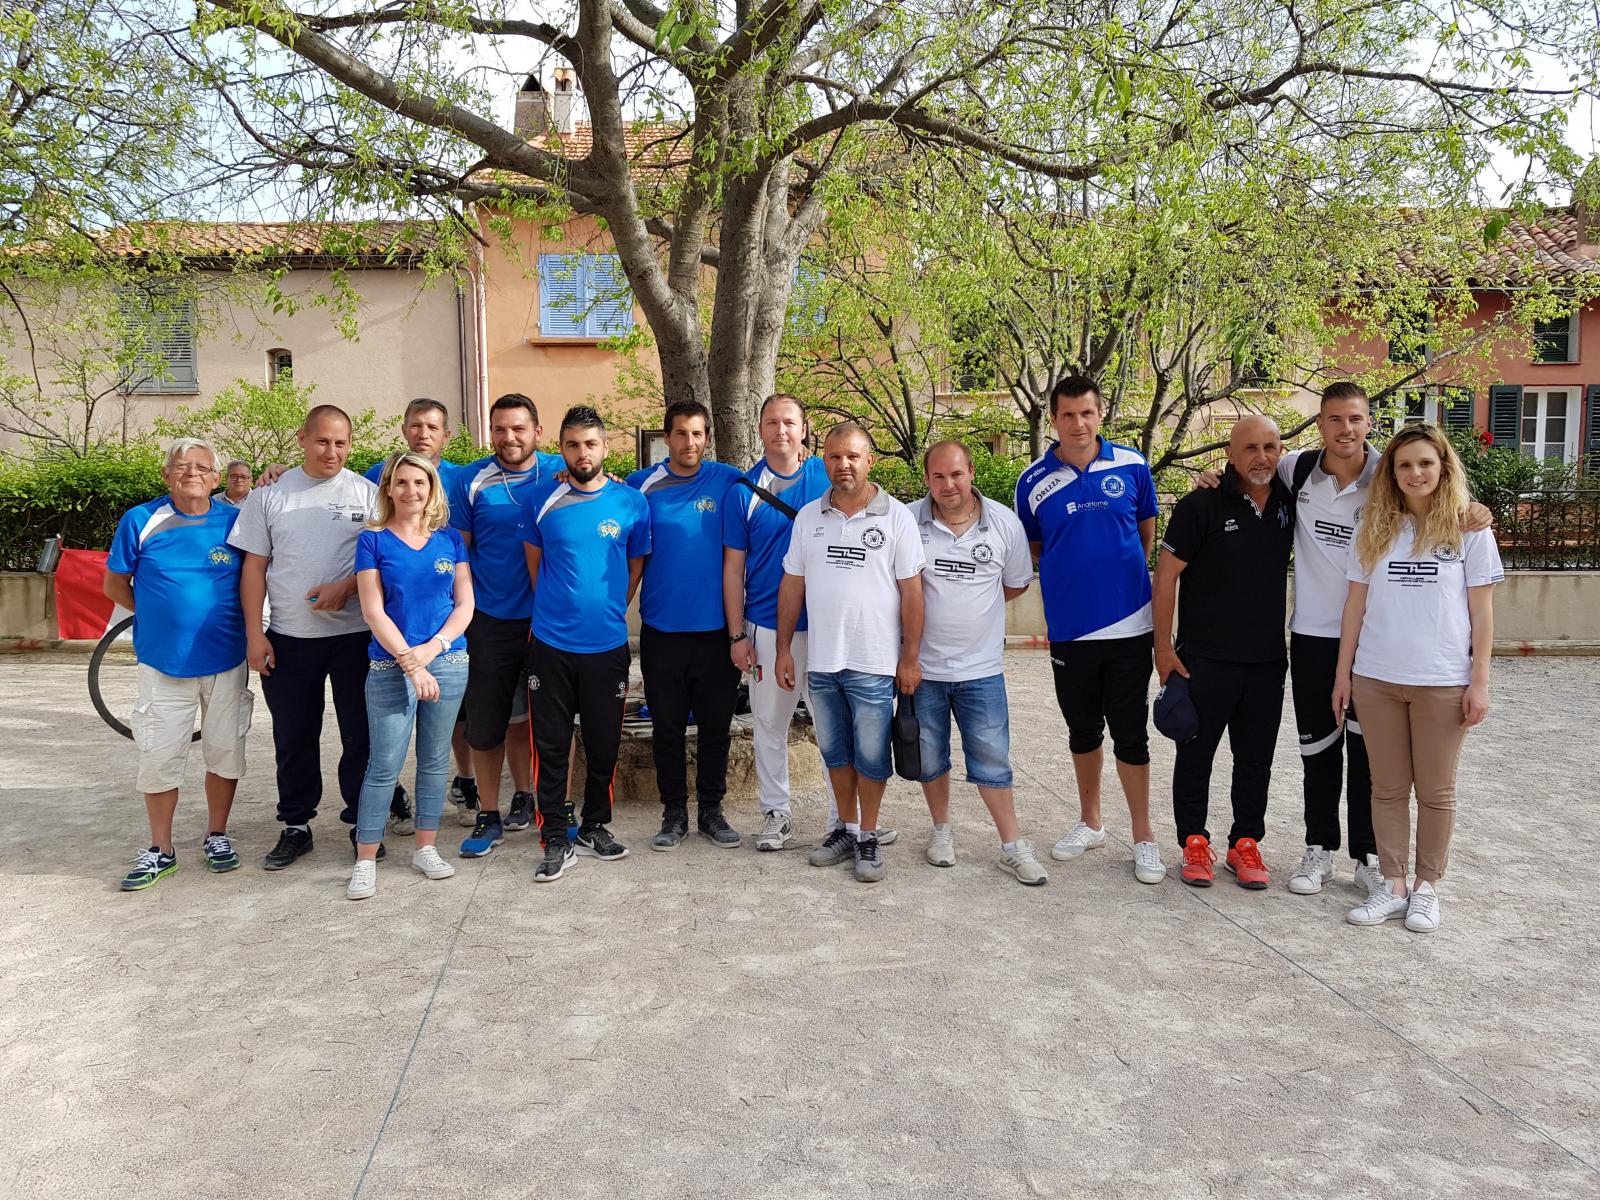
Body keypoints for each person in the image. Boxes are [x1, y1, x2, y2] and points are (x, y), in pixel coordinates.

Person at [1194, 382, 1490, 897]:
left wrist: (1474, 510)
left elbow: (1438, 493)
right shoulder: (1298, 470)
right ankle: (1318, 848)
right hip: (1312, 636)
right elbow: (1251, 472)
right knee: (1318, 749)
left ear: (1368, 422)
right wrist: (1214, 477)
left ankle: (1370, 856)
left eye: (1354, 419)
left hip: (1375, 644)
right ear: (1320, 425)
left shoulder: (1390, 475)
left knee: (1371, 756)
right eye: (1334, 419)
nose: (1345, 429)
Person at [261, 397, 475, 832]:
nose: (411, 489)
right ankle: (316, 828)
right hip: (342, 639)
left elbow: (462, 594)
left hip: (411, 643)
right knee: (324, 741)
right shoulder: (365, 483)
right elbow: (373, 565)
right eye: (415, 425)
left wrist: (433, 649)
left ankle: (389, 824)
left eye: (432, 427)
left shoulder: (457, 493)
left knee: (379, 743)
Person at [1336, 426, 1501, 933]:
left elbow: (1482, 612)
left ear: (1443, 467)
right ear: (1392, 473)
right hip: (1377, 678)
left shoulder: (1470, 529)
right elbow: (1355, 607)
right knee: (1385, 788)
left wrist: (1479, 681)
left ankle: (1427, 888)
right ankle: (1394, 884)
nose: (1415, 473)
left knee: (1435, 790)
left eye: (1425, 463)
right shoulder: (1374, 527)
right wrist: (1343, 675)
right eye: (1404, 465)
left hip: (1442, 682)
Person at [1014, 374, 1164, 884]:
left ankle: (1143, 837)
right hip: (1071, 631)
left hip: (1128, 625)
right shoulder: (1031, 481)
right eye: (1067, 415)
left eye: (1087, 413)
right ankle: (1090, 822)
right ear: (1053, 419)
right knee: (1082, 731)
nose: (1078, 423)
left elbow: (1144, 535)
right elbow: (1038, 549)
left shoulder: (1133, 465)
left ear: (1101, 415)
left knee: (1131, 734)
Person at [723, 395, 890, 850]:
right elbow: (733, 568)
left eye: (789, 422)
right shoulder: (744, 490)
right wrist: (738, 634)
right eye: (772, 422)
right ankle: (776, 814)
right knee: (770, 725)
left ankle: (849, 820)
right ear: (759, 429)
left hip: (830, 629)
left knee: (837, 728)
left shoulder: (830, 471)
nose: (781, 430)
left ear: (803, 429)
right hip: (766, 626)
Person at [228, 405, 378, 869]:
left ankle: (362, 824)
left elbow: (387, 560)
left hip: (357, 637)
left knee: (361, 735)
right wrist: (256, 635)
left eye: (341, 443)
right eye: (322, 441)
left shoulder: (369, 495)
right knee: (294, 735)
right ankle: (296, 825)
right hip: (290, 636)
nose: (331, 451)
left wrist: (347, 587)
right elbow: (253, 569)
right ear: (302, 439)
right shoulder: (270, 496)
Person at [775, 422, 924, 884]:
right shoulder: (808, 518)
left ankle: (870, 835)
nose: (843, 465)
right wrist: (783, 648)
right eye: (835, 457)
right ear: (824, 461)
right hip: (823, 661)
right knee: (836, 753)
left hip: (875, 662)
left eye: (853, 457)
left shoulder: (896, 517)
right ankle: (848, 828)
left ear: (869, 461)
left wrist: (910, 657)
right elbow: (792, 586)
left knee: (873, 756)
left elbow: (913, 593)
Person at [1153, 416, 1295, 889]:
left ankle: (1245, 843)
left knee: (1256, 760)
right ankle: (1194, 841)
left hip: (1266, 662)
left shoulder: (1291, 503)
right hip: (1203, 660)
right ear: (1230, 454)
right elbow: (1166, 577)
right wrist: (1163, 648)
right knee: (1196, 757)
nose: (1262, 457)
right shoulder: (1201, 504)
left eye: (1271, 446)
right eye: (1250, 448)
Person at [103, 439, 250, 890]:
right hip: (163, 664)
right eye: (182, 466)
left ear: (215, 477)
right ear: (166, 474)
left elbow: (255, 580)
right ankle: (161, 849)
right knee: (160, 756)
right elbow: (115, 585)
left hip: (226, 660)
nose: (192, 473)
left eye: (202, 467)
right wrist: (157, 614)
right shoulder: (141, 521)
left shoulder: (237, 521)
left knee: (225, 751)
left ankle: (217, 835)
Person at [523, 406, 652, 883]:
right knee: (552, 745)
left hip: (608, 644)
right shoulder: (542, 499)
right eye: (573, 444)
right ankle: (555, 835)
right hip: (551, 644)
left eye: (590, 444)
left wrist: (611, 608)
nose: (582, 453)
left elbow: (636, 565)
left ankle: (595, 825)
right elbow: (535, 565)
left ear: (605, 447)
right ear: (562, 448)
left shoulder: (630, 502)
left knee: (603, 743)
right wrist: (560, 608)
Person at [909, 440, 1046, 886]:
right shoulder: (908, 521)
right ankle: (942, 832)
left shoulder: (1004, 523)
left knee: (992, 761)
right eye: (938, 477)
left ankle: (1011, 846)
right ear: (927, 478)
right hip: (924, 669)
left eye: (957, 474)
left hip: (981, 671)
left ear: (971, 472)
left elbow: (1013, 586)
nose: (949, 485)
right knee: (931, 758)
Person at [346, 453, 475, 899]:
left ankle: (426, 847)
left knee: (436, 760)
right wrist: (409, 661)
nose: (411, 491)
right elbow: (372, 609)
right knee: (384, 764)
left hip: (447, 661)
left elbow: (464, 605)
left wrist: (432, 650)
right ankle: (365, 858)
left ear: (431, 488)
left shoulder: (450, 540)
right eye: (401, 482)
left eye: (419, 482)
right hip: (390, 665)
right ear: (388, 489)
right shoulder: (372, 540)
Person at [447, 393, 565, 857]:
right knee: (486, 723)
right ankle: (488, 814)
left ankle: (526, 797)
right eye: (500, 429)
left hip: (546, 621)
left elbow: (605, 488)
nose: (509, 437)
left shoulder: (560, 469)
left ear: (538, 431)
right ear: (490, 432)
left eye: (518, 428)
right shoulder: (469, 480)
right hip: (489, 620)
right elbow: (458, 552)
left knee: (529, 719)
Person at [626, 399, 744, 850]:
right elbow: (597, 490)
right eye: (680, 434)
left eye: (697, 434)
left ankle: (712, 812)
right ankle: (673, 813)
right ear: (666, 438)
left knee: (716, 728)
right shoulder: (641, 486)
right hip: (662, 630)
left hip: (717, 631)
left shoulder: (729, 480)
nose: (689, 442)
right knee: (667, 729)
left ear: (707, 438)